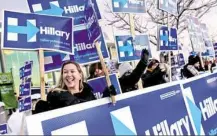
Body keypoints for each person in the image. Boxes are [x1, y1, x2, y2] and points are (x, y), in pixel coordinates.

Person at [34, 61, 116, 114]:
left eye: (72, 71)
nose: (69, 75)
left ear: (80, 75)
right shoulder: (55, 97)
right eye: (65, 72)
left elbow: (97, 114)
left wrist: (106, 98)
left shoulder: (88, 93)